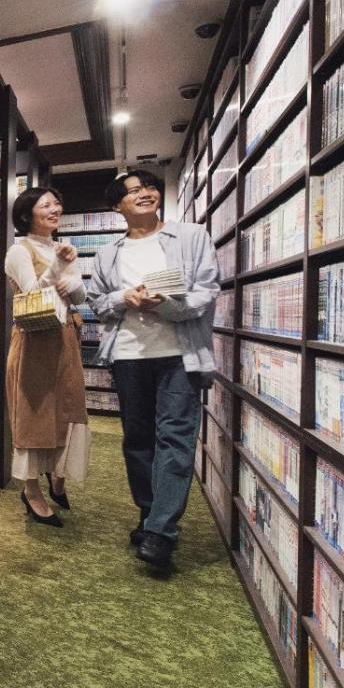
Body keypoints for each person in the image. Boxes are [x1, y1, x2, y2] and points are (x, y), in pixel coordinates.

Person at [88, 168, 220, 572]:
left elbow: (207, 291)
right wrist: (123, 298)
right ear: (117, 206)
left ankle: (162, 532)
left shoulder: (191, 237)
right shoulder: (108, 253)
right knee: (138, 439)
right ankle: (149, 514)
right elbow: (97, 303)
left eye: (148, 187)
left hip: (180, 354)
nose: (144, 193)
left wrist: (166, 305)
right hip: (128, 354)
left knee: (175, 437)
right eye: (132, 191)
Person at [5, 187, 90, 528]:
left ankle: (58, 476)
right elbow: (32, 293)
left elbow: (80, 297)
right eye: (46, 205)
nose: (55, 209)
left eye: (57, 203)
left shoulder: (61, 248)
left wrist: (71, 284)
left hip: (66, 338)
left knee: (69, 407)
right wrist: (60, 267)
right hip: (35, 342)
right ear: (28, 214)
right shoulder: (19, 250)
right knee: (34, 414)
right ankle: (31, 491)